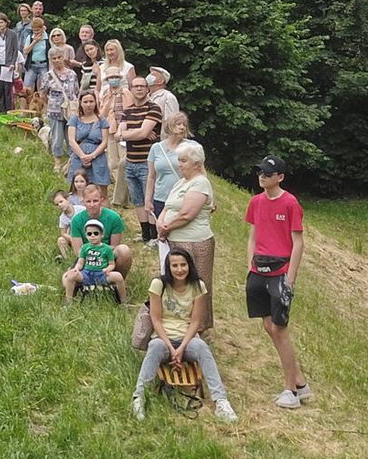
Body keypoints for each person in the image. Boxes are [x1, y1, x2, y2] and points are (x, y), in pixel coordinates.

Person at [131, 249, 238, 422]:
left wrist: (180, 348)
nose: (180, 269)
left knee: (202, 348)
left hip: (187, 338)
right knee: (155, 347)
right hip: (163, 338)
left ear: (189, 266)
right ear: (168, 267)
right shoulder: (158, 284)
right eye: (175, 265)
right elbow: (156, 320)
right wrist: (171, 348)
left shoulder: (198, 286)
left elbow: (195, 322)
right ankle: (139, 397)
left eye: (183, 265)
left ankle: (221, 401)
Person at [245, 155, 311, 409]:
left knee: (280, 329)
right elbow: (253, 234)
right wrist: (249, 265)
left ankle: (290, 390)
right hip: (258, 269)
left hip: (280, 270)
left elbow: (298, 242)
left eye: (268, 173)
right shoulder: (256, 202)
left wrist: (290, 278)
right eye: (260, 172)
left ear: (280, 177)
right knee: (268, 326)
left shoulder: (290, 203)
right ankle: (301, 384)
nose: (262, 176)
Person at [157, 141, 216, 330]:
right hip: (175, 242)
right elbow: (168, 206)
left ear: (197, 163)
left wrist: (166, 227)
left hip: (195, 243)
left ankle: (199, 327)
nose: (179, 164)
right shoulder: (181, 182)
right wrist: (160, 222)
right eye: (179, 160)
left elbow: (187, 214)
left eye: (183, 161)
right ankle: (178, 325)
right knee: (177, 286)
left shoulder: (201, 183)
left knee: (198, 285)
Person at [118, 76, 163, 243]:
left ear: (147, 89)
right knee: (137, 199)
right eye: (135, 86)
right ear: (131, 89)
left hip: (148, 162)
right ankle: (144, 234)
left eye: (142, 86)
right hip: (130, 160)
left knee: (149, 199)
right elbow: (118, 134)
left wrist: (131, 133)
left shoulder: (154, 108)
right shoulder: (127, 110)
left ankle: (154, 236)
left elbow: (143, 133)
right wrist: (136, 133)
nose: (138, 89)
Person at [69, 185, 133, 277]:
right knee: (67, 279)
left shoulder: (114, 217)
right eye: (88, 201)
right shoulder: (76, 220)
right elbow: (78, 251)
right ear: (83, 202)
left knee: (124, 251)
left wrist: (100, 253)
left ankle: (116, 282)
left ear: (101, 200)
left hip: (107, 255)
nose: (92, 205)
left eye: (95, 201)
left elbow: (114, 246)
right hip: (86, 257)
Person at [63, 219, 127, 302]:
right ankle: (69, 301)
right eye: (89, 234)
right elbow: (80, 262)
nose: (92, 236)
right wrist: (76, 269)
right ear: (86, 235)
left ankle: (123, 301)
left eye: (96, 233)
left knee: (118, 276)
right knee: (70, 276)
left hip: (101, 274)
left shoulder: (107, 249)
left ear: (102, 235)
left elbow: (112, 264)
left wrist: (108, 269)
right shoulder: (84, 248)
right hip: (86, 273)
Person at [146, 112, 193, 226]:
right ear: (170, 126)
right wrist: (148, 199)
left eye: (184, 125)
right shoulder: (156, 148)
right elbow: (151, 176)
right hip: (161, 197)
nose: (182, 127)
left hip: (183, 197)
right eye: (178, 124)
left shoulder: (191, 147)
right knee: (162, 230)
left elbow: (200, 172)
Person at [101, 66, 134, 207]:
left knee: (123, 163)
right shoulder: (106, 93)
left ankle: (127, 196)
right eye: (110, 78)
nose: (113, 80)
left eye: (115, 77)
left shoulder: (125, 92)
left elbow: (129, 110)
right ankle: (121, 193)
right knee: (113, 163)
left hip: (123, 131)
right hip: (110, 129)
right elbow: (102, 112)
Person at [39, 49, 79, 164]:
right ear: (50, 60)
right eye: (54, 58)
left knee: (72, 137)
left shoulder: (72, 74)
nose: (57, 60)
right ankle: (58, 161)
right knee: (57, 137)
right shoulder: (48, 76)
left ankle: (73, 161)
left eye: (59, 57)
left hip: (71, 112)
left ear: (63, 57)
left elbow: (76, 92)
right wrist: (51, 103)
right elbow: (43, 94)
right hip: (55, 111)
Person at [66, 90, 110, 195]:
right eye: (85, 102)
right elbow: (71, 140)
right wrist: (82, 156)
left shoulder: (102, 120)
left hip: (98, 156)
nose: (88, 104)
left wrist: (92, 156)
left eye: (91, 101)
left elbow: (105, 142)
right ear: (80, 103)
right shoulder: (74, 119)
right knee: (77, 189)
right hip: (79, 156)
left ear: (95, 102)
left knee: (101, 191)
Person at [0, 13, 19, 113]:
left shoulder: (12, 34)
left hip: (8, 65)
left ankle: (9, 110)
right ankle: (1, 111)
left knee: (7, 89)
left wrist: (12, 63)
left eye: (1, 22)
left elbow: (15, 50)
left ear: (6, 23)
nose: (0, 25)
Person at [51, 190, 84, 262]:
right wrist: (71, 238)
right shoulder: (62, 218)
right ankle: (67, 258)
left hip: (84, 235)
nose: (59, 205)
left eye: (61, 202)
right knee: (61, 240)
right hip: (72, 238)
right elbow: (63, 233)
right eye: (57, 205)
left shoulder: (81, 210)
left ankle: (81, 257)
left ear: (68, 199)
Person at [21, 18, 49, 95]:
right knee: (27, 87)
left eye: (38, 30)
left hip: (44, 65)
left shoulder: (47, 38)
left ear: (42, 28)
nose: (36, 32)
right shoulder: (30, 38)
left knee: (44, 88)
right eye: (34, 30)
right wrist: (34, 41)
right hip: (31, 65)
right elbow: (25, 51)